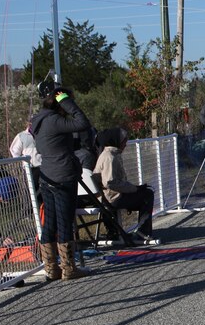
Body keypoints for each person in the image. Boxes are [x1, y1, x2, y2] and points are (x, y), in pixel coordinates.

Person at [31, 82, 92, 281]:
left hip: (47, 176)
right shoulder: (54, 120)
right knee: (64, 222)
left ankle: (51, 268)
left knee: (50, 222)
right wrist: (65, 100)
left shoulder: (38, 120)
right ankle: (68, 268)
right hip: (63, 176)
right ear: (58, 102)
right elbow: (83, 122)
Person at [94, 128, 157, 244]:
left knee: (145, 192)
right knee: (148, 194)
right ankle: (143, 232)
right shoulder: (109, 157)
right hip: (113, 198)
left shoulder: (110, 154)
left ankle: (139, 230)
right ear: (115, 141)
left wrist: (134, 188)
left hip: (110, 196)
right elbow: (110, 182)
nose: (126, 144)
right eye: (124, 141)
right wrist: (134, 189)